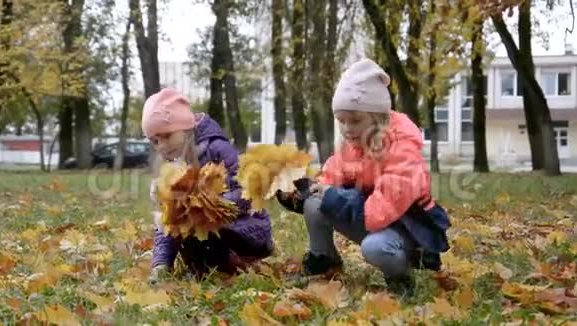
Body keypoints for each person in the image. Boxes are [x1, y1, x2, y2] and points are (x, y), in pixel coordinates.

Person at [277, 59, 451, 295]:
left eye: (356, 120)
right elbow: (332, 174)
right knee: (313, 203)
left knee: (375, 247)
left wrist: (334, 197)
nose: (347, 128)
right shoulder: (356, 144)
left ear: (378, 118)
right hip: (370, 216)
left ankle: (400, 277)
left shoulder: (403, 151)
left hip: (406, 229)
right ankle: (324, 260)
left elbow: (378, 215)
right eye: (342, 121)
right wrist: (304, 189)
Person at [142, 88, 274, 281]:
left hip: (244, 228)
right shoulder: (172, 166)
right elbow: (167, 223)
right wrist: (161, 260)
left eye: (167, 135)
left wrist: (209, 204)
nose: (161, 145)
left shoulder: (217, 149)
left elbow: (248, 191)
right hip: (209, 235)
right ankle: (169, 266)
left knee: (196, 228)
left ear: (186, 128)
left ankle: (237, 263)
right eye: (155, 141)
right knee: (174, 219)